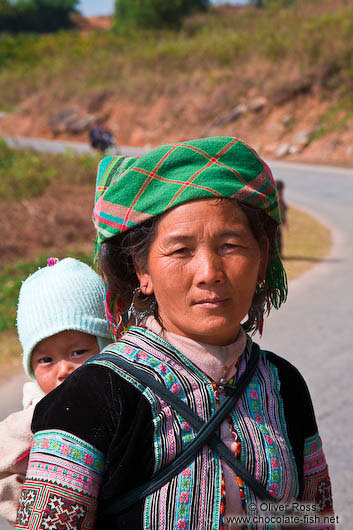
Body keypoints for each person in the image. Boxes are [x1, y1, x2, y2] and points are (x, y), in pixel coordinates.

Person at [15, 137, 334, 530]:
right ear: (141, 269)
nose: (209, 272)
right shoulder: (90, 398)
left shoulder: (284, 385)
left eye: (231, 245)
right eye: (181, 251)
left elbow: (311, 519)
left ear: (263, 255)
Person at [0, 257, 111, 526]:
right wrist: (21, 499)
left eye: (78, 352)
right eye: (46, 360)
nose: (64, 369)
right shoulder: (34, 416)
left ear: (107, 344)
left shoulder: (122, 393)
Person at [275, 179, 288, 259]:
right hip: (274, 222)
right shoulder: (276, 198)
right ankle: (277, 254)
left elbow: (283, 210)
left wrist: (285, 222)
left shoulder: (280, 198)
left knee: (278, 238)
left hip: (278, 222)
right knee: (276, 238)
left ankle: (279, 254)